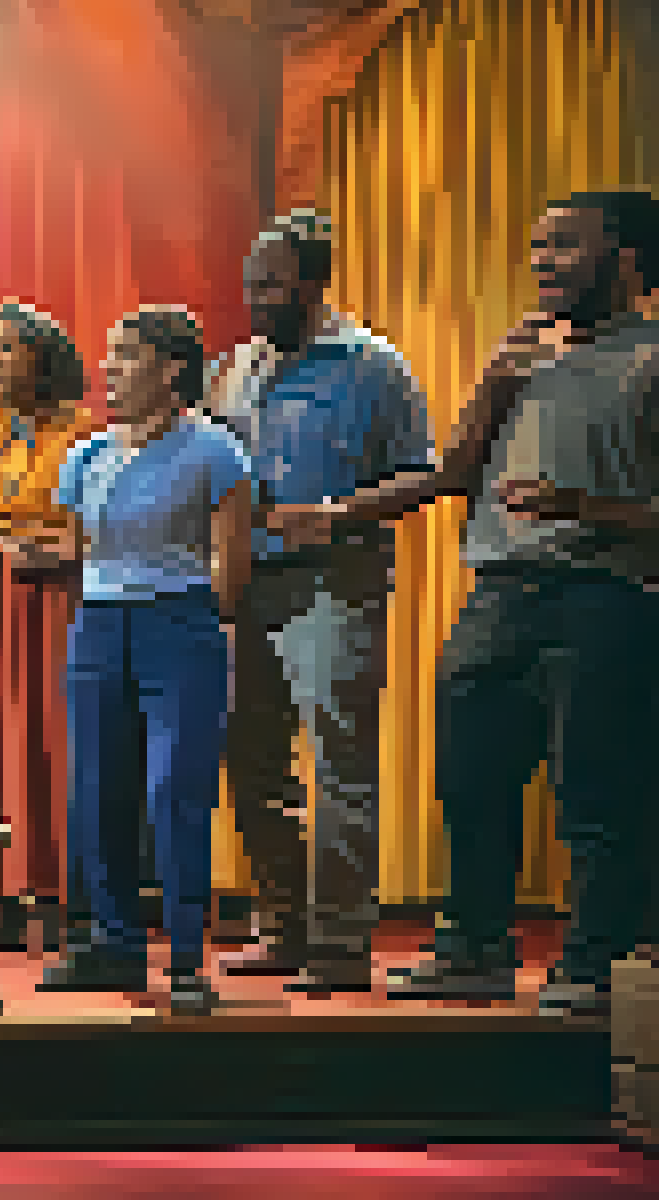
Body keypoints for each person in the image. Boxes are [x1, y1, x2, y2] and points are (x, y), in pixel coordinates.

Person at [277, 193, 659, 1019]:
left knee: (596, 795)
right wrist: (339, 513)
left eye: (563, 245)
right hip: (498, 592)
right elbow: (453, 473)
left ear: (625, 257)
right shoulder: (525, 354)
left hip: (608, 598)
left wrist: (580, 507)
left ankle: (595, 967)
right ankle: (472, 952)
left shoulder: (650, 358)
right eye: (537, 243)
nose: (543, 260)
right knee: (470, 783)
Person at [207, 211, 433, 994]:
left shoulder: (374, 367)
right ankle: (282, 928)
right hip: (247, 586)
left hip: (335, 580)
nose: (254, 299)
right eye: (249, 285)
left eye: (270, 284)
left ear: (312, 281)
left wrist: (334, 514)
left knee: (339, 758)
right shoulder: (237, 369)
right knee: (252, 758)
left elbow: (424, 476)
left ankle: (339, 943)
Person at [42, 305, 251, 1017]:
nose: (111, 370)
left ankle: (188, 954)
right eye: (110, 356)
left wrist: (204, 619)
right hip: (100, 624)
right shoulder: (87, 455)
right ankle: (113, 942)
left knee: (174, 787)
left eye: (128, 356)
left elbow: (230, 557)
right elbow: (76, 551)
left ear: (171, 371)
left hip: (180, 621)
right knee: (98, 787)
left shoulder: (213, 451)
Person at [0, 302, 104, 928]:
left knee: (46, 730)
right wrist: (4, 540)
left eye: (6, 348)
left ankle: (59, 886)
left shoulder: (82, 435)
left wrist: (6, 537)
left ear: (43, 360)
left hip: (54, 593)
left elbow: (86, 526)